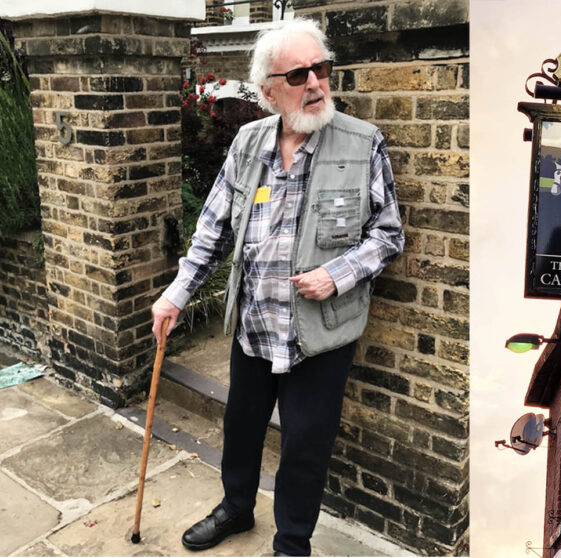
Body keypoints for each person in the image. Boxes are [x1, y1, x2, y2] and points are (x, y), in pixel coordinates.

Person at [150, 18, 404, 557]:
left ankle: (292, 541)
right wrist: (176, 294)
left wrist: (336, 274)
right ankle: (236, 508)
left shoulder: (363, 144)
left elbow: (388, 235)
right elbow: (213, 231)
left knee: (305, 448)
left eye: (321, 69)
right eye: (298, 75)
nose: (315, 83)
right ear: (269, 90)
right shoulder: (247, 143)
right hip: (254, 325)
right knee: (241, 429)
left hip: (319, 335)